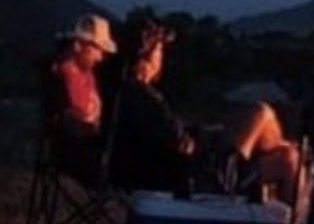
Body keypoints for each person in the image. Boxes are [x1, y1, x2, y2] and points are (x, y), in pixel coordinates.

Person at [112, 20, 300, 201]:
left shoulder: (130, 93)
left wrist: (204, 132)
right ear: (147, 54)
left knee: (288, 156)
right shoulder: (139, 94)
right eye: (160, 49)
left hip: (191, 171)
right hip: (202, 178)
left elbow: (167, 135)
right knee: (262, 114)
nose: (162, 56)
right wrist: (205, 138)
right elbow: (181, 145)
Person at [49, 13, 119, 183]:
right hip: (81, 153)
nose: (100, 57)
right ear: (78, 45)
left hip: (90, 147)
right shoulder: (66, 73)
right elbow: (75, 120)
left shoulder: (87, 74)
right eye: (97, 49)